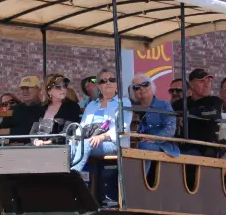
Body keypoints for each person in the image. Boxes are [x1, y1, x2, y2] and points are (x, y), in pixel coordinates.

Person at [69, 69, 132, 203]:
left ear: (117, 84)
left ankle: (72, 179)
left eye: (112, 80)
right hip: (91, 141)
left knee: (86, 144)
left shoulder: (123, 102)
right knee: (70, 144)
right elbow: (83, 126)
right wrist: (74, 139)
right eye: (103, 81)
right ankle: (61, 177)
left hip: (114, 143)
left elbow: (122, 127)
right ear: (99, 85)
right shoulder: (92, 104)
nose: (108, 83)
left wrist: (102, 137)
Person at [171, 68, 224, 156]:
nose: (206, 85)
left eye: (208, 81)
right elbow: (167, 114)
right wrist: (175, 117)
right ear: (191, 85)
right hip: (182, 145)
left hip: (205, 148)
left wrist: (186, 114)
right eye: (201, 81)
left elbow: (213, 113)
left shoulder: (215, 101)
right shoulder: (181, 103)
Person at [129, 74, 178, 156]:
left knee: (144, 146)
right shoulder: (130, 108)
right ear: (133, 92)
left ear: (151, 86)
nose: (141, 88)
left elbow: (170, 129)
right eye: (136, 87)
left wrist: (153, 139)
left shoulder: (163, 105)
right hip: (135, 144)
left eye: (145, 84)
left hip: (161, 146)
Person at [30, 74, 84, 146]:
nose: (63, 89)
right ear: (49, 91)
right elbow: (33, 132)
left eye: (64, 86)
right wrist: (35, 141)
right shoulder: (40, 108)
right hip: (38, 146)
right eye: (58, 87)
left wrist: (50, 142)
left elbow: (68, 130)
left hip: (59, 147)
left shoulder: (72, 106)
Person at [1, 75, 45, 142]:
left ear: (38, 90)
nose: (25, 91)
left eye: (28, 88)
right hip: (13, 148)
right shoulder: (13, 110)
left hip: (39, 148)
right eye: (22, 88)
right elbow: (2, 131)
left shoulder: (46, 109)